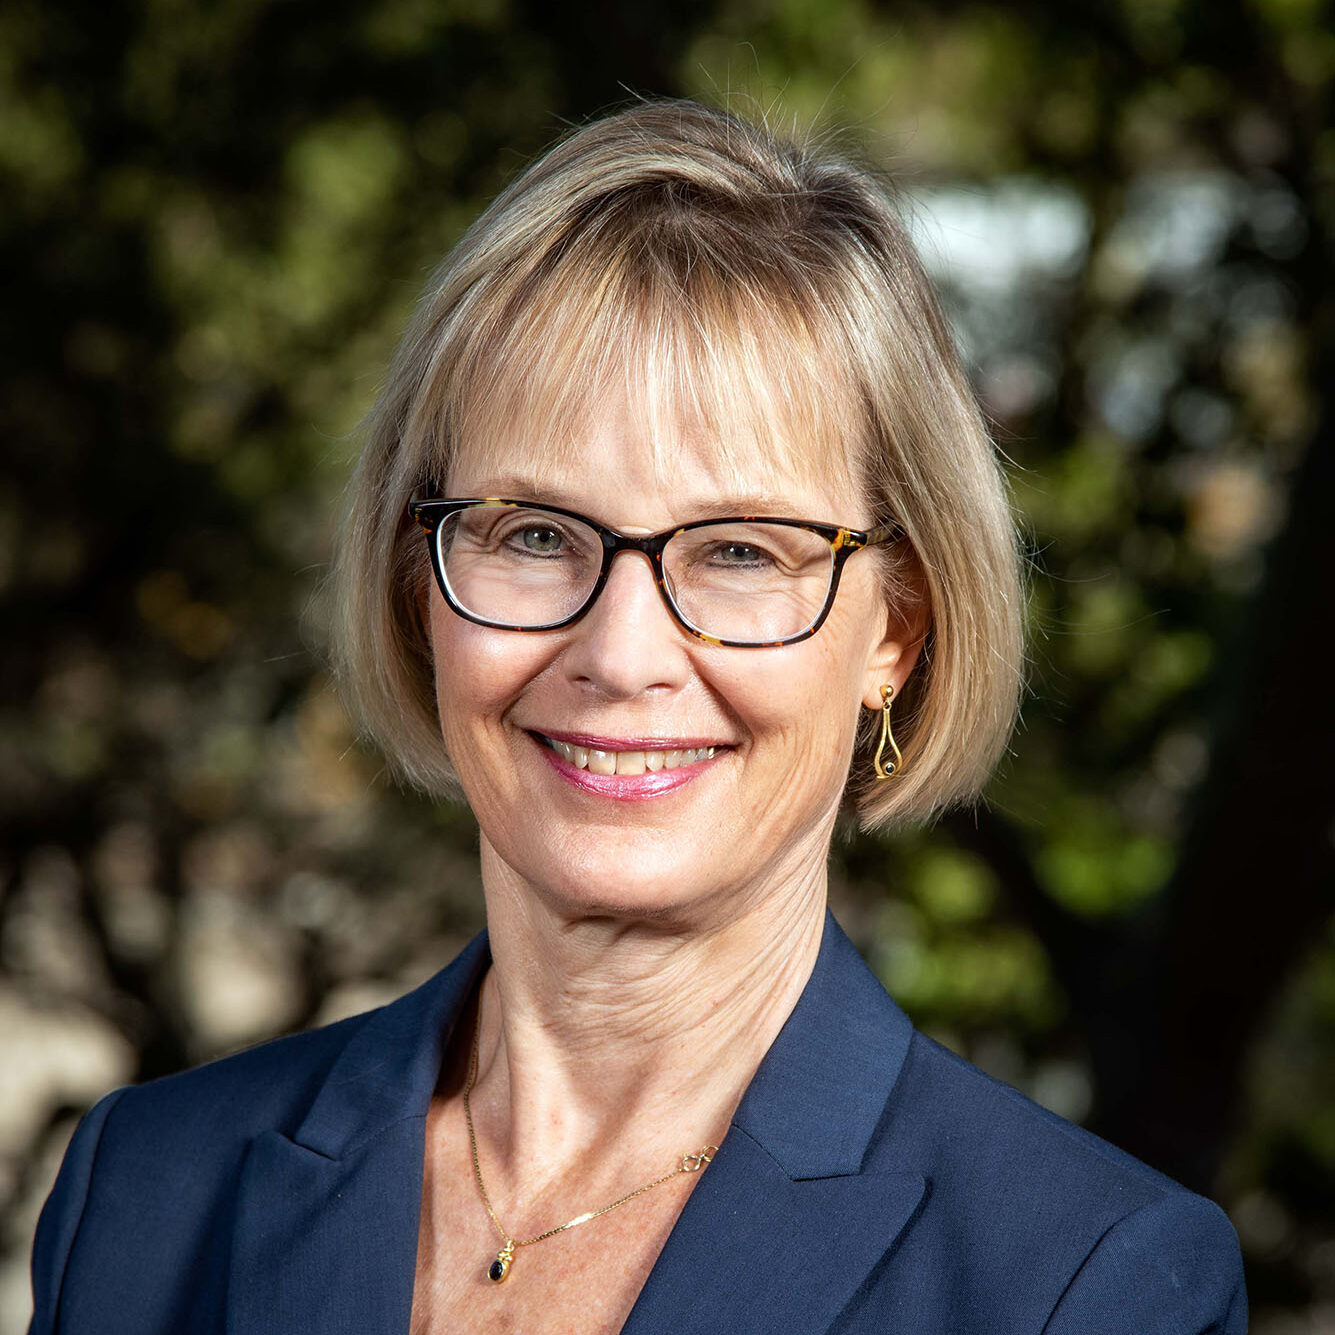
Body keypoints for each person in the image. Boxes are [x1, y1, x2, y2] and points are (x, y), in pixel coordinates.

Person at [28, 98, 1246, 1335]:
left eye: (739, 553)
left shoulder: (1086, 1285)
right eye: (537, 535)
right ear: (416, 586)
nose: (621, 654)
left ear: (896, 631)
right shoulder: (148, 1190)